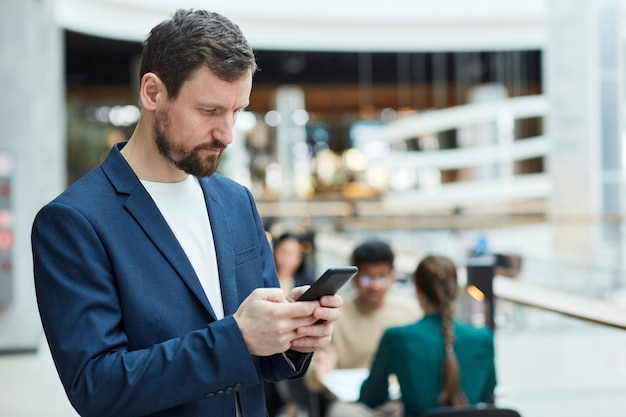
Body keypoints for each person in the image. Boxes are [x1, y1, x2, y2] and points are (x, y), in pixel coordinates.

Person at [31, 9, 342, 417]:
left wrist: (292, 332)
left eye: (237, 111)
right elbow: (96, 387)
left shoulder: (236, 201)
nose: (227, 134)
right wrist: (237, 337)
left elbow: (260, 361)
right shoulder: (74, 222)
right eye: (210, 111)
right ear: (153, 93)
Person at [359, 255, 496, 417]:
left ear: (417, 291)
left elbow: (371, 398)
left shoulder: (397, 337)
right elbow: (487, 395)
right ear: (457, 292)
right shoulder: (483, 338)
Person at [304, 240, 422, 417]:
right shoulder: (334, 314)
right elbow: (313, 378)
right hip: (353, 405)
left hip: (399, 401)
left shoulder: (411, 312)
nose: (374, 285)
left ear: (392, 277)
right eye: (367, 277)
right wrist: (321, 373)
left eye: (381, 277)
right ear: (355, 278)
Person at [265, 232, 316, 417]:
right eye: (284, 252)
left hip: (296, 342)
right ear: (275, 252)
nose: (288, 259)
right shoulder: (263, 280)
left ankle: (294, 405)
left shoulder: (306, 283)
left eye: (293, 254)